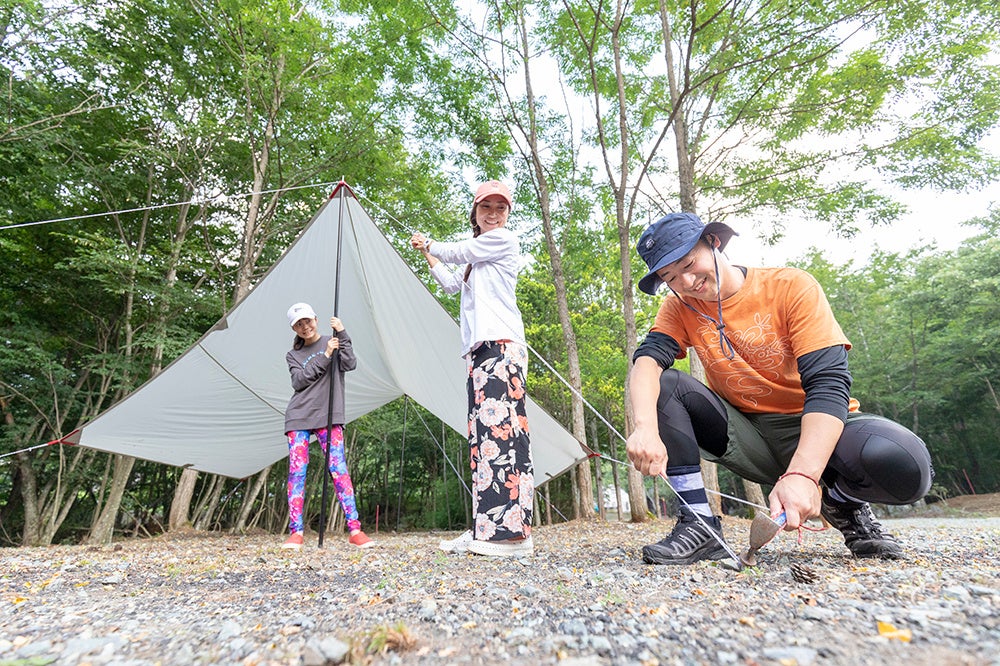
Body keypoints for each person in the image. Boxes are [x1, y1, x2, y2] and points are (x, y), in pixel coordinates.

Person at [626, 212, 933, 565]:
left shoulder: (790, 287)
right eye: (670, 277)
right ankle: (699, 526)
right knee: (667, 385)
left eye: (688, 263)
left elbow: (828, 383)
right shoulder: (679, 307)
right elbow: (647, 361)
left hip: (815, 428)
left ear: (713, 242)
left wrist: (803, 474)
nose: (688, 281)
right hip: (748, 435)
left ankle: (841, 502)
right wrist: (645, 428)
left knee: (903, 462)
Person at [409, 180, 535, 558]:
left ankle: (512, 536)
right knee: (483, 440)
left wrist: (431, 243)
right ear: (475, 214)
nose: (494, 214)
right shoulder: (474, 258)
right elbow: (450, 283)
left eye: (501, 208)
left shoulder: (503, 241)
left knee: (504, 437)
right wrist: (427, 253)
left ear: (508, 214)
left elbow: (455, 250)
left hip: (502, 346)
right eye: (486, 208)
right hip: (480, 350)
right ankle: (486, 527)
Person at [282, 302, 373, 550]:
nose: (305, 326)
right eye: (298, 324)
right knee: (297, 473)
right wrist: (325, 356)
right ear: (294, 328)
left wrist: (342, 333)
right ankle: (296, 532)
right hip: (299, 416)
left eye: (307, 321)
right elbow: (299, 381)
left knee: (338, 469)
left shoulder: (332, 340)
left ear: (316, 319)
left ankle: (355, 529)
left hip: (330, 415)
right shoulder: (293, 355)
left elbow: (350, 363)